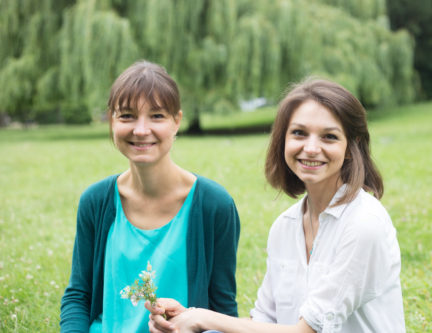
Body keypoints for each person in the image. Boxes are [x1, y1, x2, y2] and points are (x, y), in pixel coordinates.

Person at [146, 78, 405, 332]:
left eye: (329, 137)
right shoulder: (285, 226)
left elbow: (306, 331)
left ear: (350, 147)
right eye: (299, 133)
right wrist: (185, 319)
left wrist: (202, 318)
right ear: (283, 140)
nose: (311, 148)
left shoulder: (364, 223)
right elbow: (264, 323)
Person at [60, 60, 240, 332]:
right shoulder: (95, 201)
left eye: (157, 116)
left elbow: (222, 308)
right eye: (127, 116)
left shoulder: (214, 205)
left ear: (176, 122)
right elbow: (79, 296)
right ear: (112, 122)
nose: (141, 130)